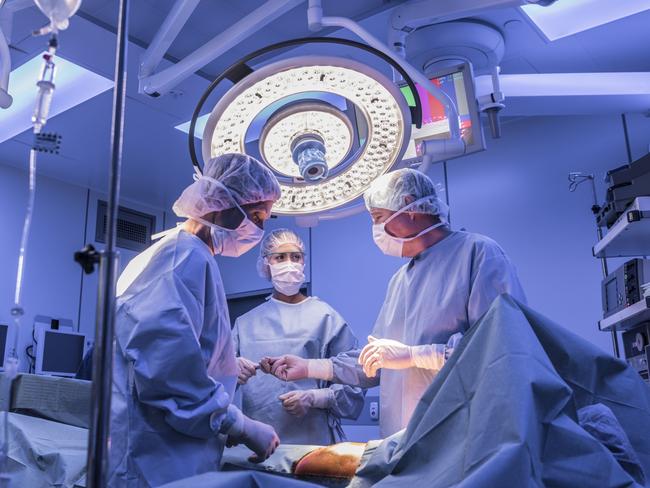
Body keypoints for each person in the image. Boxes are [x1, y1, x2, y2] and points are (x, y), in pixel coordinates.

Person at [262, 168, 526, 438]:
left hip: (460, 436)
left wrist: (416, 356)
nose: (375, 230)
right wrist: (309, 367)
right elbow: (374, 362)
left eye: (378, 217)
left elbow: (501, 349)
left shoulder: (478, 254)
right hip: (401, 441)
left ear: (409, 206)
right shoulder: (401, 279)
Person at [108, 153, 282, 487]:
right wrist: (238, 424)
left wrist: (224, 367)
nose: (258, 229)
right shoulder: (181, 257)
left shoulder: (189, 256)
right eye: (257, 216)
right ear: (221, 205)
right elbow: (166, 369)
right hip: (156, 463)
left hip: (173, 453)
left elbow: (177, 349)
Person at [232, 229, 365, 445]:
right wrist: (232, 372)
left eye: (296, 257)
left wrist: (315, 398)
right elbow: (215, 385)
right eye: (280, 257)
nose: (289, 263)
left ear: (304, 262)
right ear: (267, 264)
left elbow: (354, 383)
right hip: (258, 443)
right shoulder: (245, 324)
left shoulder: (326, 317)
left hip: (314, 443)